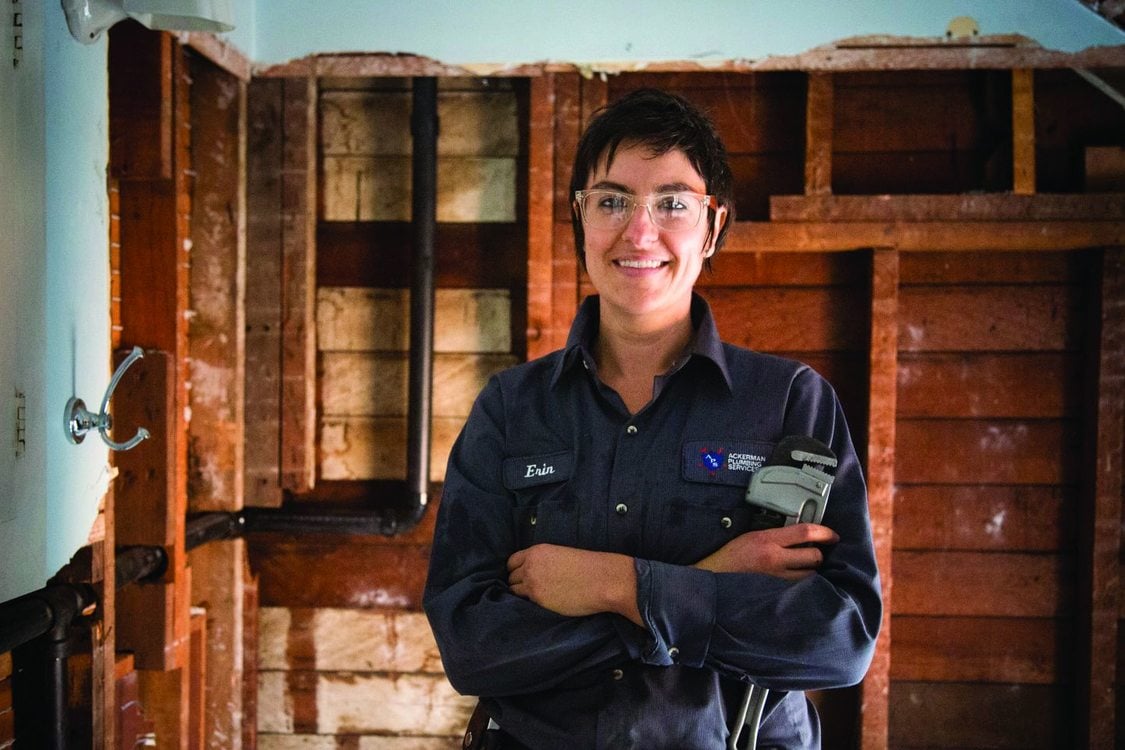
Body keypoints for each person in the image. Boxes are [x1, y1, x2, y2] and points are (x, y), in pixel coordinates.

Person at [423, 88, 881, 749]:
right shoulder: (511, 408)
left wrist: (615, 585)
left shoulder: (790, 402)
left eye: (671, 203)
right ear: (579, 218)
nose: (640, 232)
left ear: (712, 226)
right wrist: (708, 581)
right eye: (611, 201)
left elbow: (836, 642)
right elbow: (472, 648)